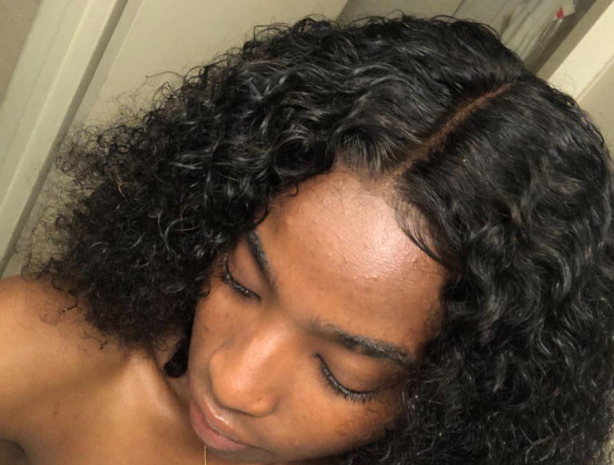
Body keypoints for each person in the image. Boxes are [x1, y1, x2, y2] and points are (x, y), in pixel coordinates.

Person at [0, 14, 613, 465]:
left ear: (455, 401)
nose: (233, 381)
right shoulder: (44, 352)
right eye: (241, 281)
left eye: (343, 373)